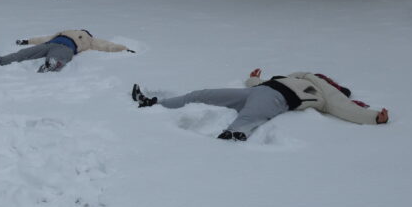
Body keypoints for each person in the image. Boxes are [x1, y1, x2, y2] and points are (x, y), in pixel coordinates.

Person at [132, 68, 389, 141]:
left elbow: (342, 107)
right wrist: (254, 78)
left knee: (247, 119)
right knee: (204, 93)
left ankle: (230, 139)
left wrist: (373, 116)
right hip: (260, 92)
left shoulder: (325, 90)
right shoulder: (295, 75)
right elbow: (258, 84)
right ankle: (156, 103)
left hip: (276, 100)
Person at [0, 30, 135, 72]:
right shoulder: (64, 31)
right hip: (49, 44)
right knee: (22, 54)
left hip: (66, 49)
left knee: (56, 58)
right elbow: (44, 38)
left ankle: (51, 66)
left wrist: (123, 49)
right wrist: (26, 41)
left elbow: (105, 45)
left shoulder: (89, 39)